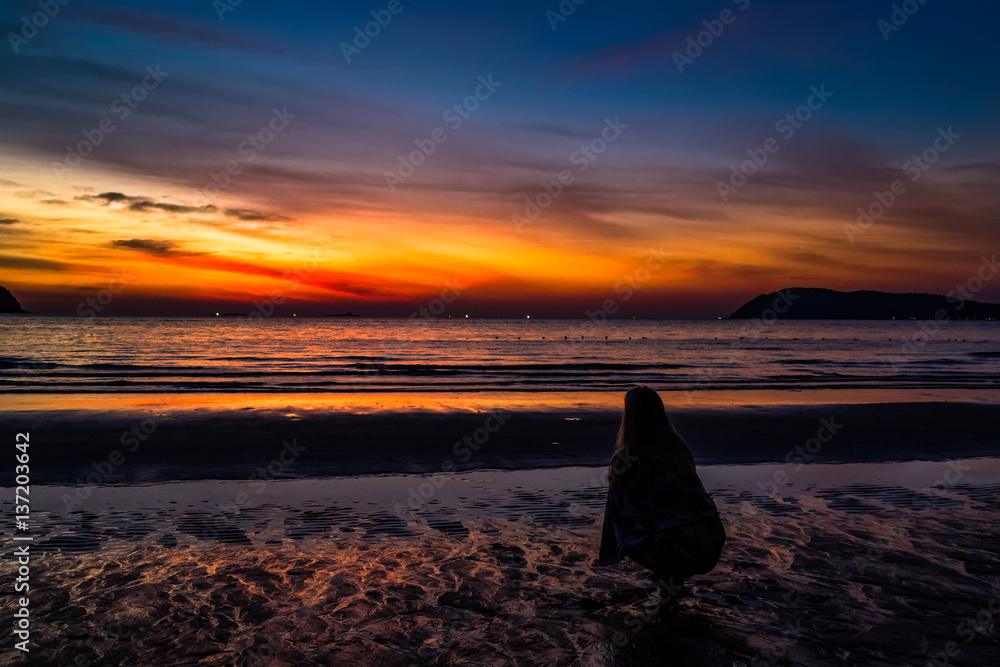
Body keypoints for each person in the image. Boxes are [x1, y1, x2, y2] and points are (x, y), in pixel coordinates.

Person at [598, 386, 725, 594]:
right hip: (711, 536)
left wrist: (609, 552)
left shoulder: (626, 459)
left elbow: (616, 510)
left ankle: (669, 581)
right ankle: (672, 580)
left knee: (631, 524)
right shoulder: (677, 447)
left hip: (678, 545)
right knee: (666, 520)